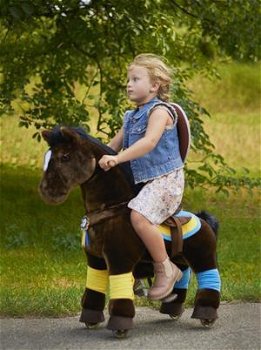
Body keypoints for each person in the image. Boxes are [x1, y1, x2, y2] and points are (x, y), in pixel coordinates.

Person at [98, 53, 185, 301]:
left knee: (138, 216)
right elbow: (109, 148)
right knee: (118, 218)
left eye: (135, 79)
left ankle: (165, 267)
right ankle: (134, 271)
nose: (128, 84)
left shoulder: (160, 112)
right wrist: (93, 162)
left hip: (165, 181)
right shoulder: (130, 117)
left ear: (154, 85)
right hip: (143, 183)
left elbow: (149, 143)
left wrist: (117, 159)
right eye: (128, 79)